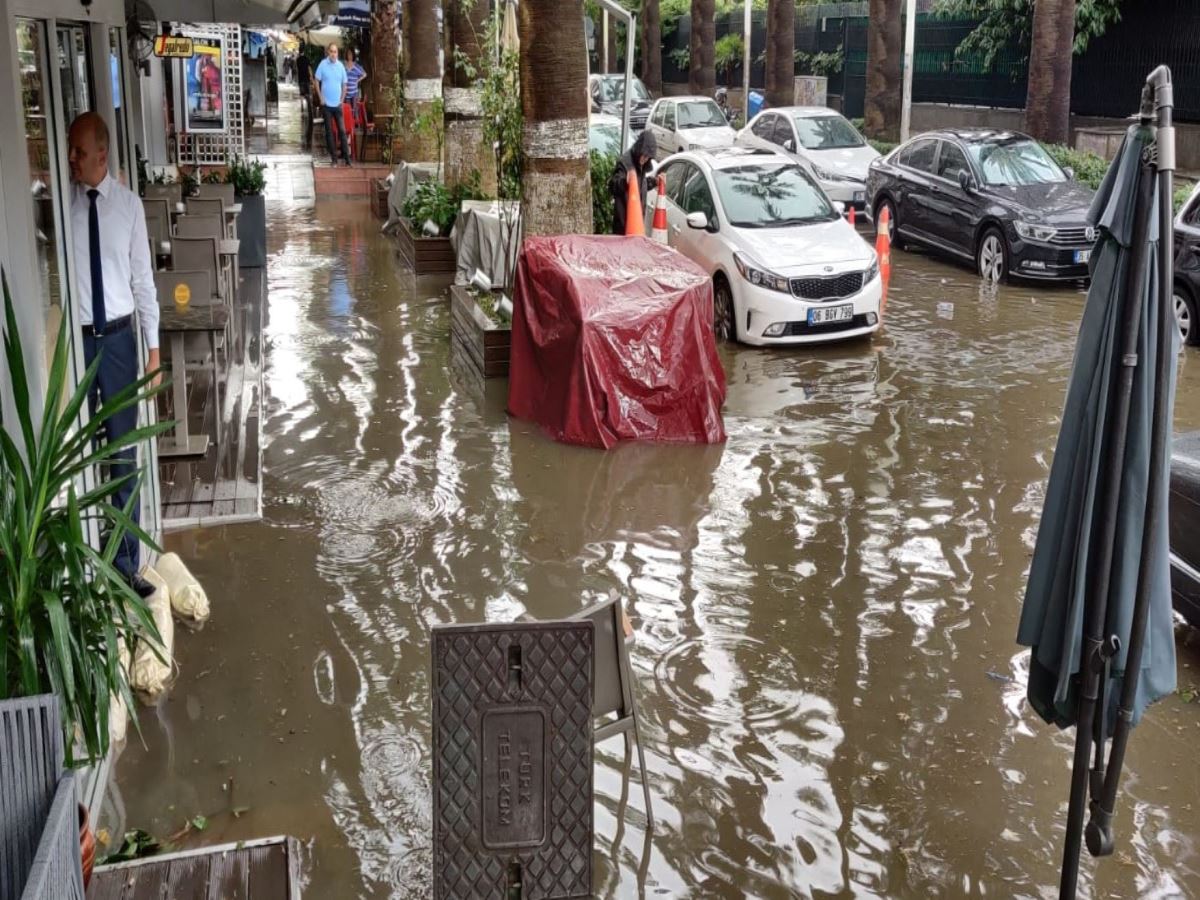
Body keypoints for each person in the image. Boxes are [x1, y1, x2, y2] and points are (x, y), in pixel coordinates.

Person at [67, 112, 160, 599]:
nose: (72, 160)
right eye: (71, 151)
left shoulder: (129, 207)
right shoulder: (62, 210)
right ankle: (83, 565)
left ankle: (124, 565)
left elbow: (143, 280)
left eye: (79, 152)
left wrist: (154, 349)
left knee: (124, 454)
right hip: (78, 342)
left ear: (102, 154)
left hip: (121, 341)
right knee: (77, 452)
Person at [608, 130, 657, 235]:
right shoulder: (625, 163)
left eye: (648, 157)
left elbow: (638, 187)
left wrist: (653, 182)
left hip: (635, 226)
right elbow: (613, 186)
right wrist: (625, 182)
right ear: (639, 150)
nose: (645, 159)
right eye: (643, 155)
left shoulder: (641, 165)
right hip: (623, 228)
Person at [315, 42, 351, 166]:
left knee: (342, 130)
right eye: (331, 51)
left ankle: (347, 158)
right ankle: (334, 159)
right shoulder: (323, 64)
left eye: (335, 52)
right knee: (329, 132)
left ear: (337, 53)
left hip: (337, 105)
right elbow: (316, 80)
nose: (333, 54)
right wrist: (320, 98)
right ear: (328, 52)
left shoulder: (341, 66)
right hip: (326, 105)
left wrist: (342, 100)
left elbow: (344, 84)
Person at [343, 48, 369, 126]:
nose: (349, 56)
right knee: (348, 109)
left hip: (354, 91)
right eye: (348, 54)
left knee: (354, 108)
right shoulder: (344, 66)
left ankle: (355, 125)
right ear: (346, 55)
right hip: (346, 92)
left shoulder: (356, 66)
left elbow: (364, 74)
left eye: (351, 54)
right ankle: (349, 124)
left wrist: (357, 80)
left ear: (353, 55)